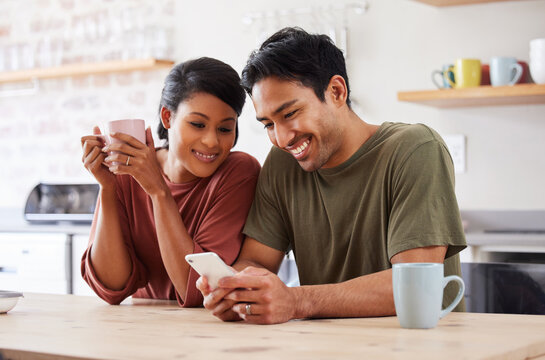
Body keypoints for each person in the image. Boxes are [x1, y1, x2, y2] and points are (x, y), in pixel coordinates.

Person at [197, 28, 467, 324]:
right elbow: (257, 261)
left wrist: (296, 301)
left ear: (336, 92)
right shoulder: (283, 163)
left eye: (289, 114)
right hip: (329, 346)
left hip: (421, 346)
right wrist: (235, 288)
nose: (282, 138)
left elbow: (414, 284)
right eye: (268, 124)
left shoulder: (415, 149)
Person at [80, 57, 260, 307]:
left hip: (207, 334)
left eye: (225, 129)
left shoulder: (238, 173)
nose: (211, 142)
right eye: (198, 124)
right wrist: (108, 188)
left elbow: (197, 289)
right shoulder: (130, 172)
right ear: (167, 117)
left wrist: (158, 191)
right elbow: (111, 288)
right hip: (137, 331)